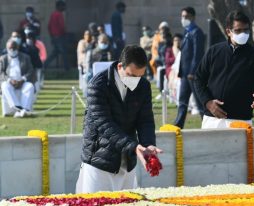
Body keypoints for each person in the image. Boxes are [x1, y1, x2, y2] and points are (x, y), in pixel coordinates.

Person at [76, 45, 162, 193]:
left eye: (140, 76)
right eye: (132, 75)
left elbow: (145, 119)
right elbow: (104, 124)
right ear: (120, 65)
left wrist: (148, 145)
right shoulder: (98, 85)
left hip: (127, 162)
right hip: (99, 160)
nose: (136, 80)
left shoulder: (143, 86)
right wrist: (134, 146)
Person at [194, 10, 254, 129]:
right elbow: (198, 79)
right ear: (228, 31)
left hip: (241, 120)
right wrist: (208, 103)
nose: (243, 33)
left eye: (246, 30)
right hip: (212, 118)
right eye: (238, 30)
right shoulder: (214, 51)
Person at [173, 7, 205, 129]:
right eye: (182, 16)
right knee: (182, 101)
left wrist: (193, 71)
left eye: (186, 16)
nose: (183, 19)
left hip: (193, 74)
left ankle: (207, 123)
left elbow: (197, 54)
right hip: (185, 75)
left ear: (192, 17)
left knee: (199, 102)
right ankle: (178, 124)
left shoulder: (197, 32)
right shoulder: (186, 32)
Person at [0, 40, 35, 118]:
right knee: (4, 85)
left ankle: (25, 109)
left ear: (17, 48)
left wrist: (22, 80)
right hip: (9, 82)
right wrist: (10, 80)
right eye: (10, 48)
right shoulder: (3, 58)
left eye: (14, 48)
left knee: (30, 86)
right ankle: (19, 109)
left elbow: (31, 70)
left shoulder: (26, 57)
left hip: (22, 81)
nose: (12, 50)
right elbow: (1, 73)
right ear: (7, 48)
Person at [45, 0, 69, 71]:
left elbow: (49, 26)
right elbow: (62, 26)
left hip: (54, 37)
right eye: (63, 6)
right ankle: (67, 68)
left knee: (55, 53)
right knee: (64, 52)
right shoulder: (59, 14)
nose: (64, 7)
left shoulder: (53, 14)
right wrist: (64, 33)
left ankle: (45, 65)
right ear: (59, 6)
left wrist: (51, 35)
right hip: (60, 37)